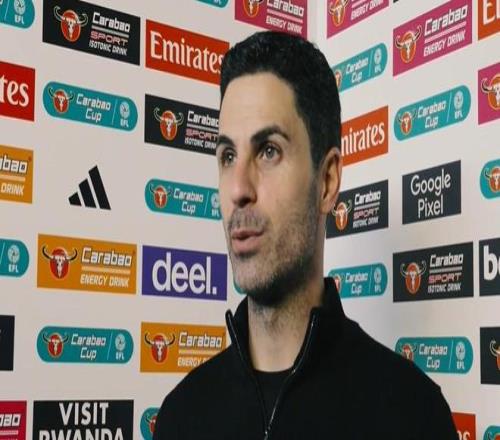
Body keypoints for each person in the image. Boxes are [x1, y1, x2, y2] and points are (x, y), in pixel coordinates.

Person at [153, 31, 458, 440]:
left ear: (327, 181)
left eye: (268, 150)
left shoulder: (412, 413)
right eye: (228, 156)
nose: (239, 188)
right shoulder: (181, 416)